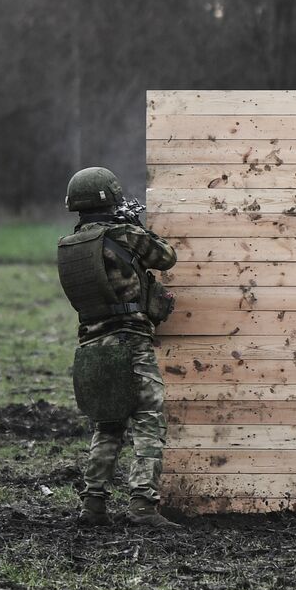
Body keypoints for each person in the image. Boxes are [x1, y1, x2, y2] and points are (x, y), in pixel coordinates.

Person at [57, 167, 180, 529]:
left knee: (108, 425)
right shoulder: (124, 234)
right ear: (110, 199)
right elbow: (165, 256)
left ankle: (93, 505)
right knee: (148, 419)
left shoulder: (70, 245)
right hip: (130, 342)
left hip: (92, 344)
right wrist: (138, 226)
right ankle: (143, 505)